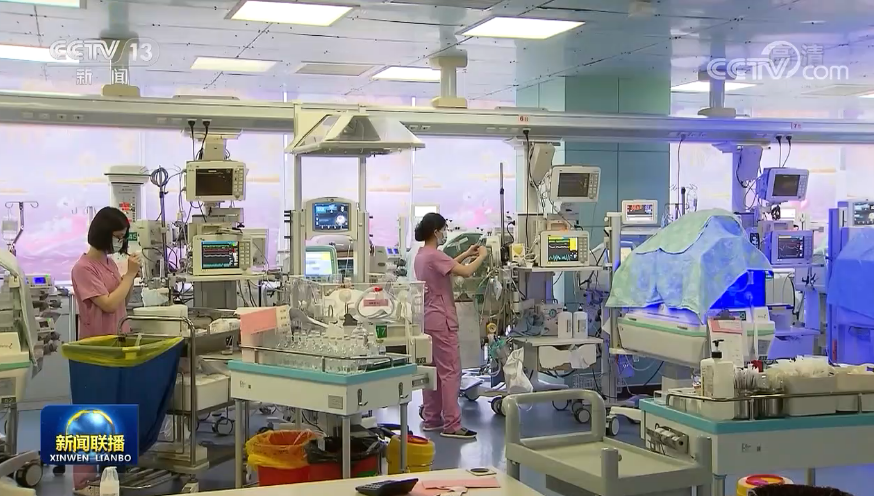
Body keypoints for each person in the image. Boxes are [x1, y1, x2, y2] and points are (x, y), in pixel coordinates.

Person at [413, 213, 487, 439]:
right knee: (450, 372)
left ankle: (432, 419)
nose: (445, 233)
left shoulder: (422, 255)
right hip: (442, 321)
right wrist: (482, 256)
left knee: (433, 372)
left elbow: (447, 264)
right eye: (444, 229)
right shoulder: (434, 256)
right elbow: (466, 271)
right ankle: (452, 425)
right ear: (436, 231)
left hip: (428, 320)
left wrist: (467, 253)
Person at [71, 206, 141, 339]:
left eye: (122, 238)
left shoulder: (110, 263)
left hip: (119, 336)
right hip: (99, 342)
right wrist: (130, 275)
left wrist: (130, 278)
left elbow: (122, 303)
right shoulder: (83, 268)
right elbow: (109, 305)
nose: (120, 242)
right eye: (118, 237)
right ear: (103, 234)